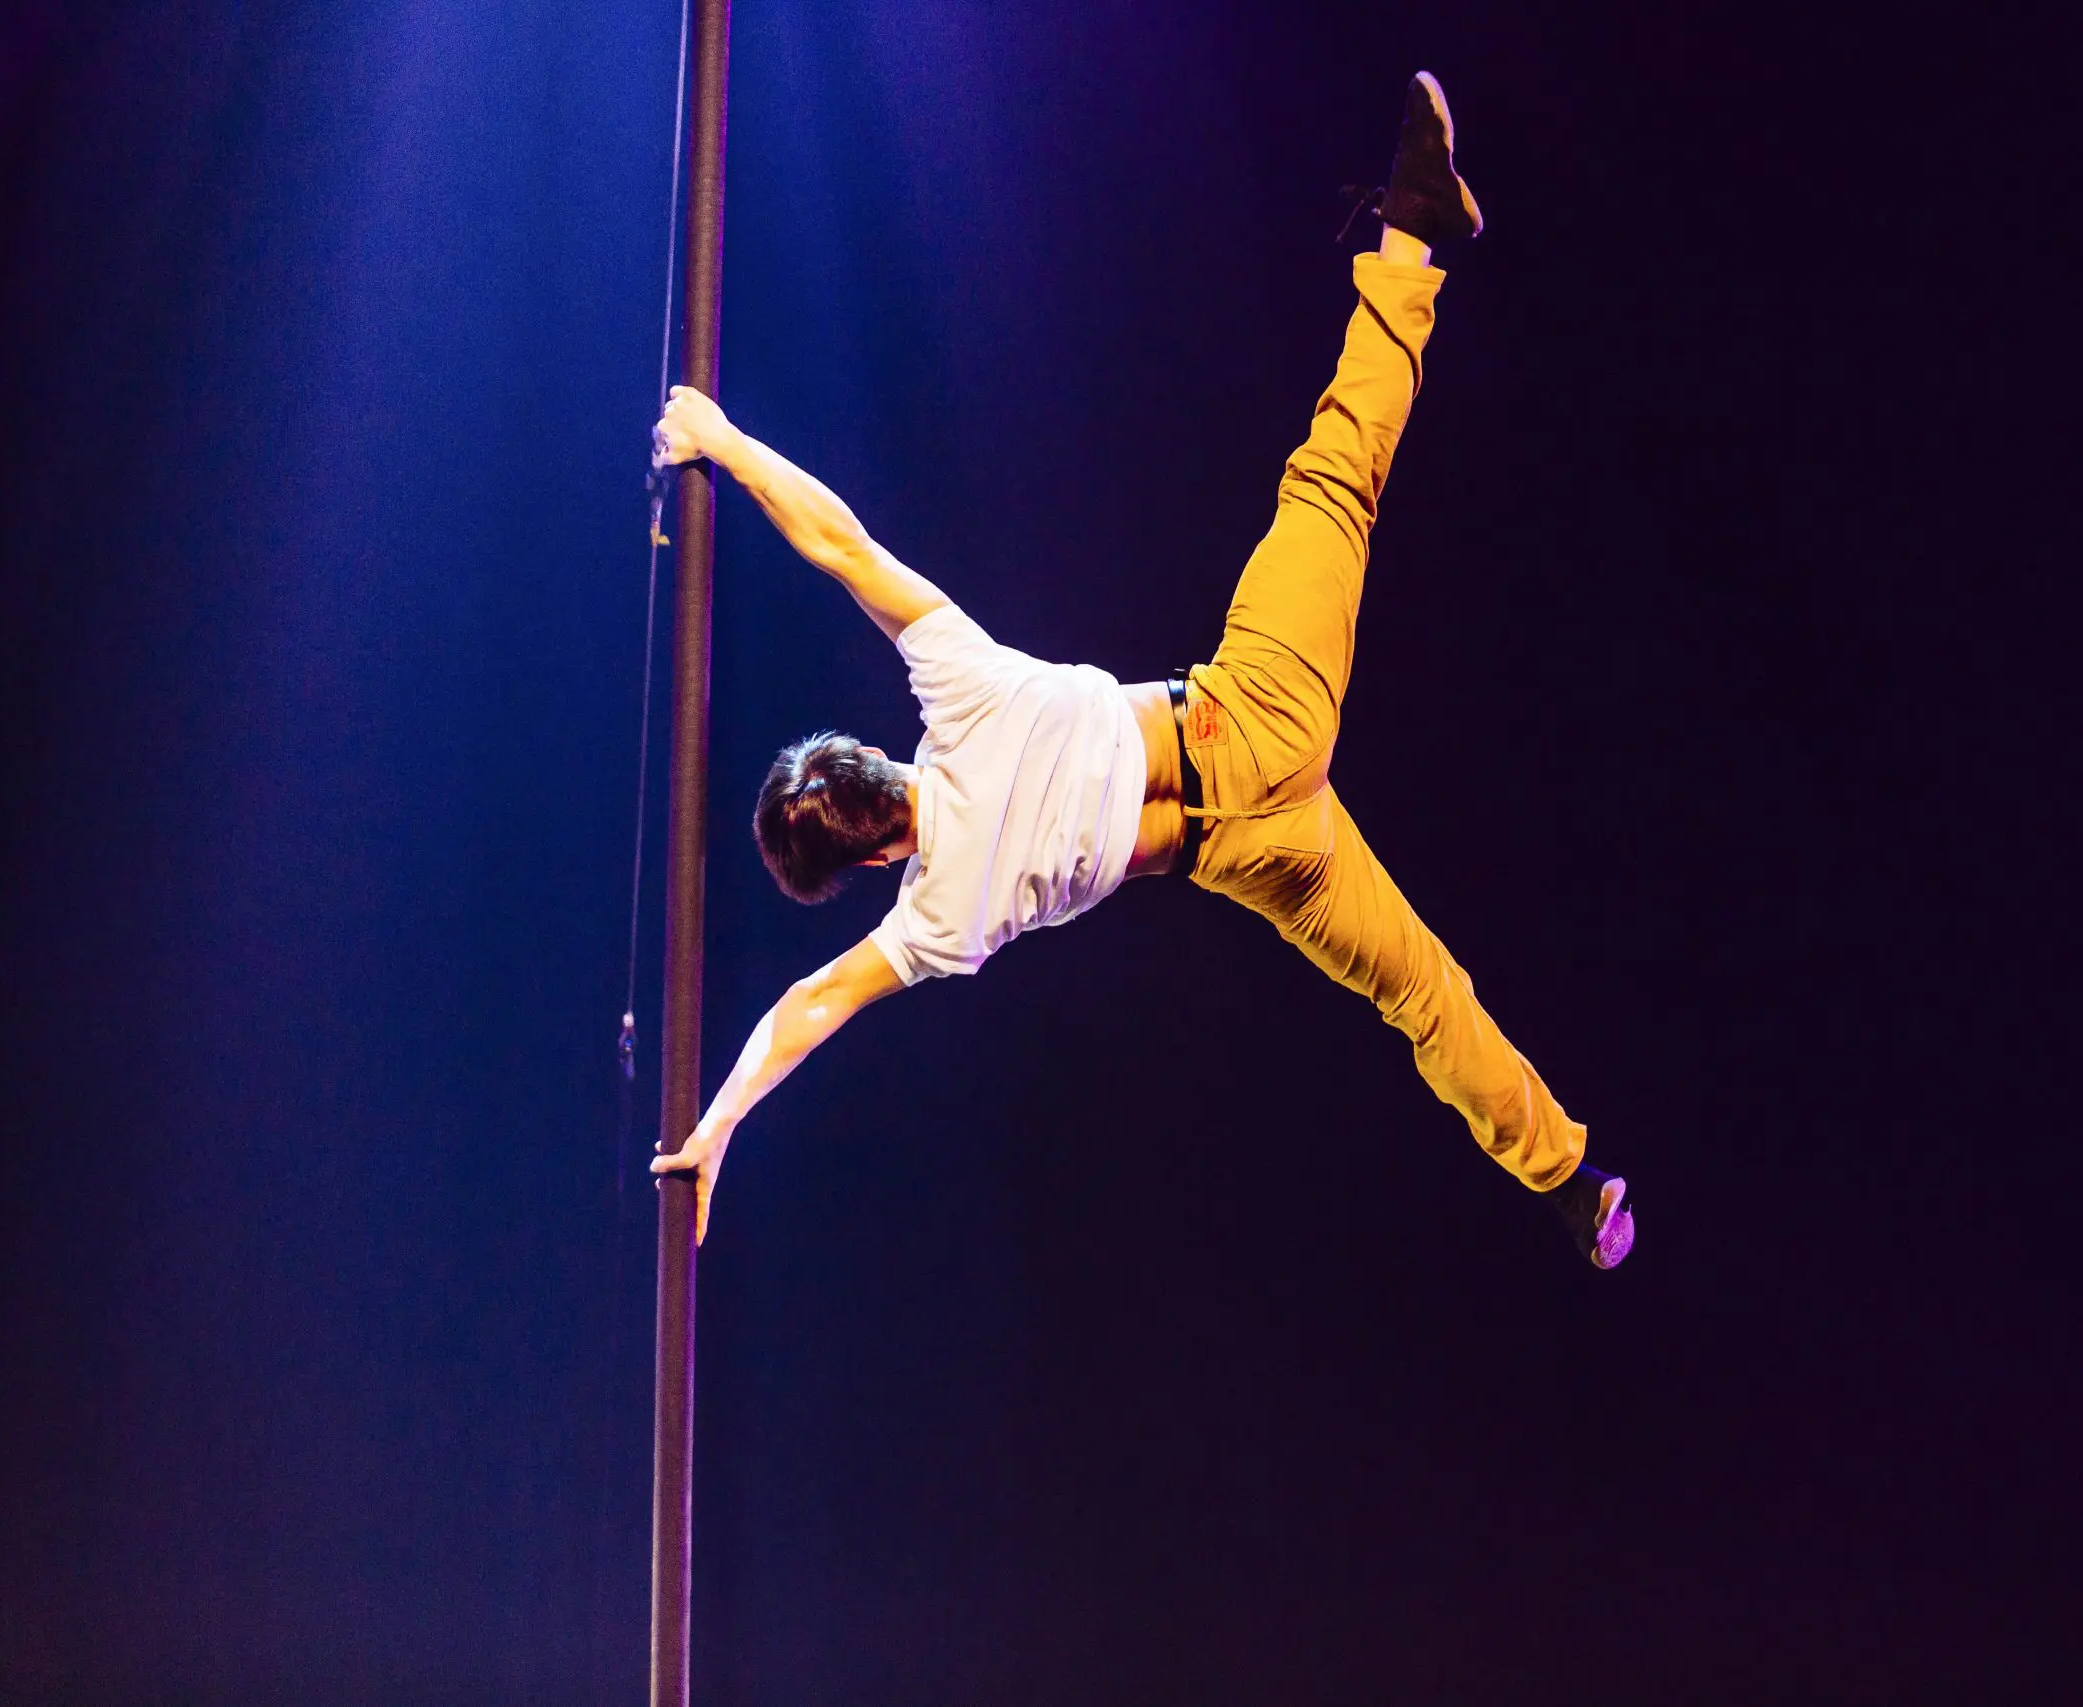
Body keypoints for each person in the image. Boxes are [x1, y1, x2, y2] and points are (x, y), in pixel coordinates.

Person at [649, 73, 1633, 1270]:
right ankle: (1417, 234)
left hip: (1259, 857)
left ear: (864, 860)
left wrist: (717, 1127)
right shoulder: (958, 696)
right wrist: (721, 435)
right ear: (866, 763)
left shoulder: (934, 922)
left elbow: (805, 1011)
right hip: (1241, 714)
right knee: (1332, 478)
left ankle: (1572, 1183)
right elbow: (840, 543)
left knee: (1426, 999)